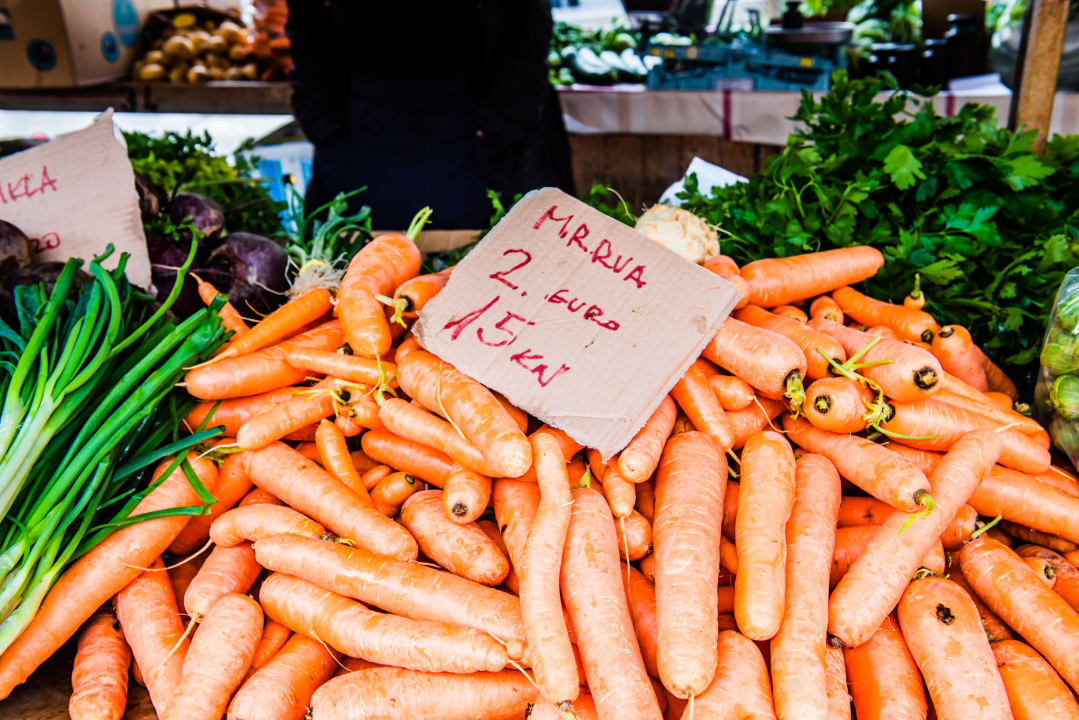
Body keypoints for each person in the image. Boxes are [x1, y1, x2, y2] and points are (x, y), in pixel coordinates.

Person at [287, 0, 575, 229]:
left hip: (470, 127)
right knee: (350, 262)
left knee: (479, 261)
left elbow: (528, 26)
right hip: (358, 127)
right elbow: (305, 21)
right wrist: (322, 122)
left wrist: (503, 127)